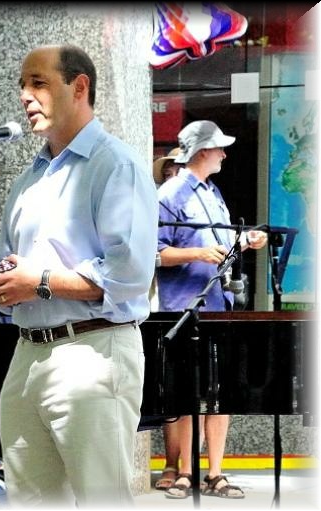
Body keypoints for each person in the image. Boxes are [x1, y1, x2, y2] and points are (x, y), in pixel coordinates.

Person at [0, 44, 158, 507]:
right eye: (22, 84)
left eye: (38, 83)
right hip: (26, 353)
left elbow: (130, 275)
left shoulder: (116, 165)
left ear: (79, 87)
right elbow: (7, 260)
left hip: (93, 350)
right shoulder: (28, 181)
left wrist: (37, 281)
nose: (25, 95)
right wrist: (0, 283)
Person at [156, 120, 267, 499]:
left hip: (219, 307)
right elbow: (152, 253)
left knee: (221, 392)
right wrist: (197, 253)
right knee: (187, 392)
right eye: (219, 147)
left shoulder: (212, 192)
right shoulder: (170, 194)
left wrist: (244, 241)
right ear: (203, 151)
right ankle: (186, 471)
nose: (223, 153)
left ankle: (215, 472)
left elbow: (220, 245)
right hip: (184, 309)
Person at [150, 146, 182, 491]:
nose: (175, 173)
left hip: (195, 304)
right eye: (171, 169)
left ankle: (205, 469)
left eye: (182, 168)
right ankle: (172, 465)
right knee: (172, 393)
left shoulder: (206, 203)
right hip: (160, 307)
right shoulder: (158, 204)